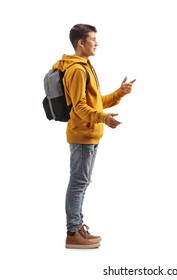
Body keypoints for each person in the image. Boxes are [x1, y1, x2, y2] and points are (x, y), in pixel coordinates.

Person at [52, 24, 136, 249]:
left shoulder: (85, 66)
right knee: (78, 183)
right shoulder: (78, 69)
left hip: (87, 134)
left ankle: (78, 228)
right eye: (93, 39)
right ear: (81, 42)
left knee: (82, 181)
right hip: (82, 136)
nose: (96, 43)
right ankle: (73, 233)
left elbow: (95, 101)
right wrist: (103, 118)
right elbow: (79, 107)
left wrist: (120, 93)